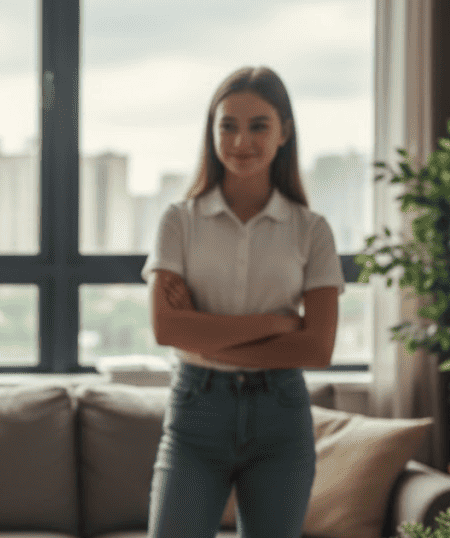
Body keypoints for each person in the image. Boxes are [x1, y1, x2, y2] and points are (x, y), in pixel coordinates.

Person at [143, 66, 343, 538]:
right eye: (227, 125)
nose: (241, 141)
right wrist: (277, 323)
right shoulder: (178, 222)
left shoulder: (311, 230)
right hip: (196, 414)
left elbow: (317, 349)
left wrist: (204, 332)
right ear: (211, 132)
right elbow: (168, 331)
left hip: (281, 418)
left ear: (284, 133)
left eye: (258, 126)